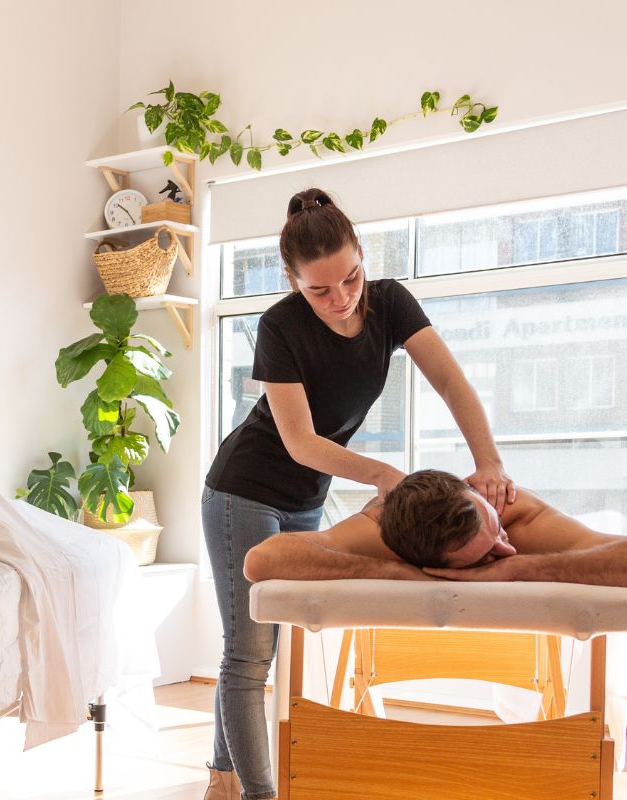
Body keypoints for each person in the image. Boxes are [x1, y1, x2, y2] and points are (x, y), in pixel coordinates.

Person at [200, 188, 514, 800]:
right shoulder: (280, 327)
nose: (341, 298)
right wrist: (382, 475)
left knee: (267, 644)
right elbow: (300, 442)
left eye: (351, 278)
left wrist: (489, 463)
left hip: (305, 498)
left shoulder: (390, 302)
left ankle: (220, 775)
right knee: (249, 652)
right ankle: (254, 793)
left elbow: (450, 382)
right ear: (292, 282)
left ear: (362, 257)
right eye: (320, 290)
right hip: (243, 491)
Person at [244, 468, 627, 586]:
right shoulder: (381, 533)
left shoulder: (516, 515)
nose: (507, 550)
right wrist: (392, 572)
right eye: (484, 557)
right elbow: (262, 560)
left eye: (496, 529)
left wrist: (523, 568)